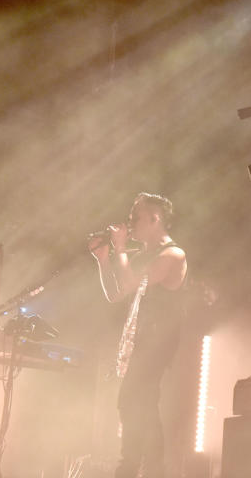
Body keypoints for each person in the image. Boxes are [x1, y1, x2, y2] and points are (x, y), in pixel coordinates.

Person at [88, 192, 188, 478]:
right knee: (141, 403)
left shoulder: (173, 254)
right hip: (143, 339)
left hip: (161, 339)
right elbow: (115, 294)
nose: (129, 223)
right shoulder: (143, 254)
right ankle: (147, 468)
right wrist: (104, 261)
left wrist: (119, 249)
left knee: (133, 399)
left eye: (136, 218)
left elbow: (133, 282)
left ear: (155, 219)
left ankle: (133, 467)